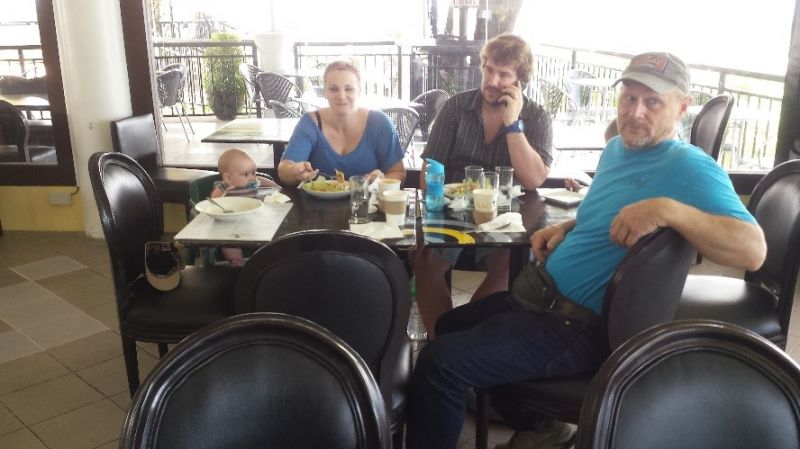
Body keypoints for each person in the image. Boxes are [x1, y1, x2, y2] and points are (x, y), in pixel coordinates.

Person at [405, 51, 767, 449]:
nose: (636, 112)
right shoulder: (618, 149)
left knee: (440, 364)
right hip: (538, 298)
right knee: (449, 327)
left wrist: (669, 209)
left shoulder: (689, 167)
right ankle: (541, 427)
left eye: (653, 102)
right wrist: (567, 227)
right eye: (629, 98)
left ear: (682, 107)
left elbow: (753, 250)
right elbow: (605, 209)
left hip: (575, 326)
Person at [413, 34, 553, 339]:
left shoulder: (537, 116)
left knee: (509, 264)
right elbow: (429, 170)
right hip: (451, 211)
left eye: (503, 74)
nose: (492, 81)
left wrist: (512, 124)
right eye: (489, 70)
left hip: (504, 217)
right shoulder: (456, 107)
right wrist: (439, 199)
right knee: (425, 261)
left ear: (519, 81)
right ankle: (441, 343)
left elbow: (533, 179)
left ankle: (459, 340)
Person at [277, 59, 406, 185]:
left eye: (349, 89)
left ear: (359, 91)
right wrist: (295, 170)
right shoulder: (310, 122)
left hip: (367, 199)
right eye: (333, 89)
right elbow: (283, 171)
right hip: (315, 200)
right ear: (325, 92)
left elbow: (398, 172)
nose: (341, 96)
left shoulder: (379, 123)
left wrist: (382, 181)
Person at [211, 148, 279, 266]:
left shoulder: (252, 182)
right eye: (246, 174)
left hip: (253, 219)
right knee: (227, 240)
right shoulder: (223, 187)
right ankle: (237, 260)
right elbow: (213, 201)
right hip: (232, 222)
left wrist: (276, 186)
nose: (252, 177)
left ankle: (266, 255)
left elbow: (263, 181)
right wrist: (224, 192)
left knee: (272, 230)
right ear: (228, 178)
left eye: (254, 172)